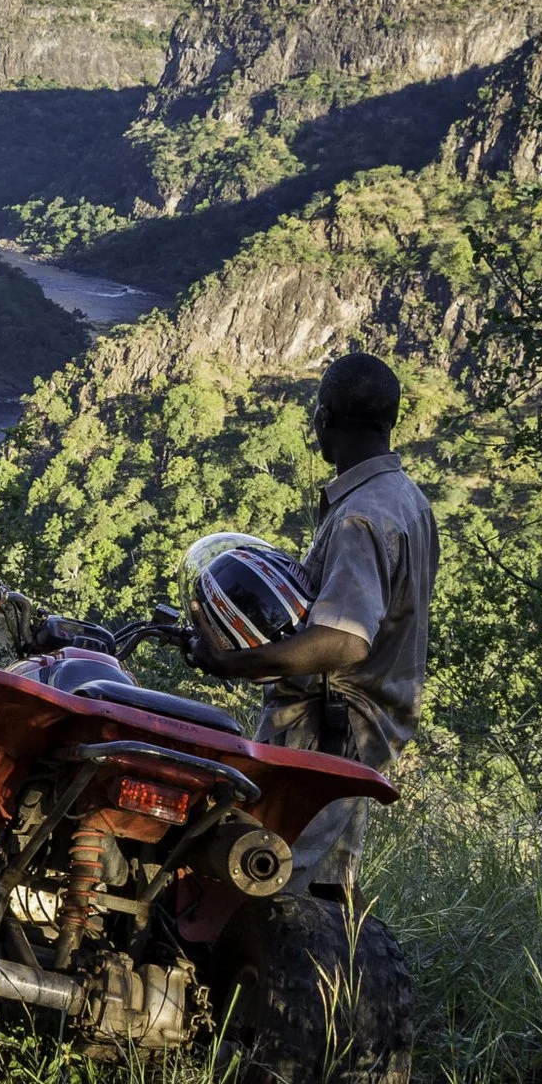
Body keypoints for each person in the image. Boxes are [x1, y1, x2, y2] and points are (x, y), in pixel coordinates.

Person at [194, 352, 436, 902]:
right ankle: (332, 984)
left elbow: (347, 639)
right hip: (362, 726)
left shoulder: (359, 516)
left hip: (327, 728)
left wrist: (237, 663)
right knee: (325, 884)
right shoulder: (408, 500)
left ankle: (279, 985)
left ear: (323, 419)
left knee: (264, 882)